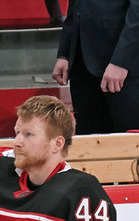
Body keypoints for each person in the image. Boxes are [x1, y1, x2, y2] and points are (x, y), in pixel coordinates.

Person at [52, 0, 139, 134]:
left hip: (123, 65)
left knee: (128, 137)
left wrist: (121, 61)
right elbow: (75, 6)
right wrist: (65, 53)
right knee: (88, 137)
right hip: (82, 63)